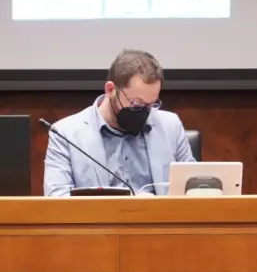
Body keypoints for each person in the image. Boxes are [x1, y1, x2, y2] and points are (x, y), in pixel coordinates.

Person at [43, 49, 195, 196]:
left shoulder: (170, 126)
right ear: (110, 90)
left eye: (151, 105)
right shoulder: (66, 134)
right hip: (99, 214)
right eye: (136, 103)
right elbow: (57, 199)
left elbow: (193, 189)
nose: (145, 112)